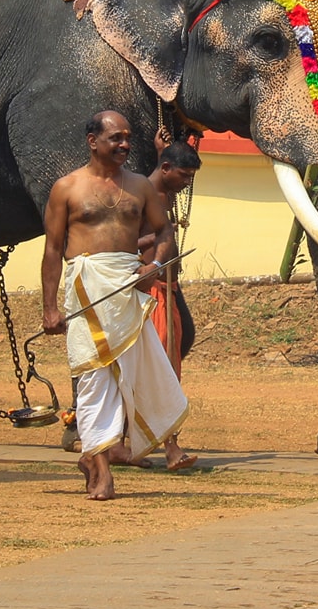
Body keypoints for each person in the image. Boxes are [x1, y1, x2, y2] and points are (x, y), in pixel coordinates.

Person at [41, 111, 189, 501]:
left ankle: (98, 455)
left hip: (127, 289)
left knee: (133, 374)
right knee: (93, 378)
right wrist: (49, 308)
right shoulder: (67, 188)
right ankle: (102, 467)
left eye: (128, 138)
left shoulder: (139, 186)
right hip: (87, 290)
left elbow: (164, 231)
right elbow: (53, 250)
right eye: (116, 138)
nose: (125, 145)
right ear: (93, 141)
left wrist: (153, 267)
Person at [135, 133, 202, 471]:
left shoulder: (163, 188)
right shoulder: (140, 195)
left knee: (168, 367)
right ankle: (170, 447)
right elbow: (122, 238)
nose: (187, 183)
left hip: (167, 291)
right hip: (150, 293)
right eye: (184, 176)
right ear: (166, 169)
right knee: (161, 370)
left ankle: (152, 442)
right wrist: (160, 237)